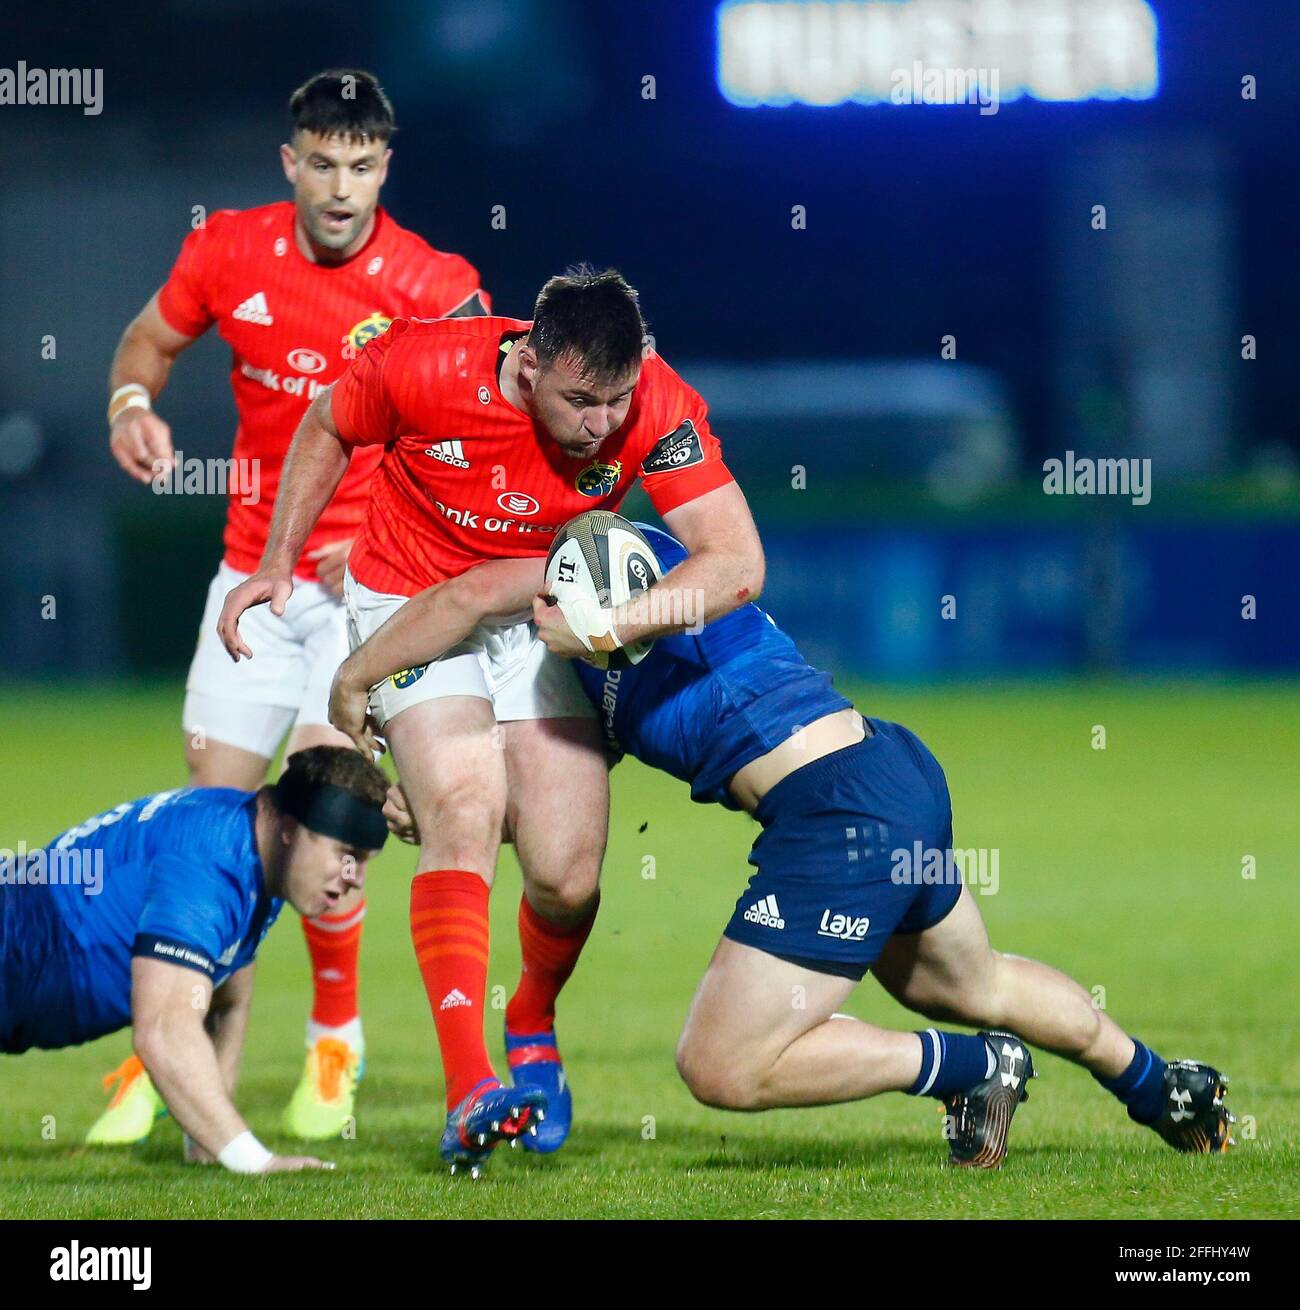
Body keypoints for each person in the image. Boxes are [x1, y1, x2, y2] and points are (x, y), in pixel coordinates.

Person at [330, 521, 1235, 1167]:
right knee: (963, 981)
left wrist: (356, 675)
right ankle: (1159, 1083)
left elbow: (695, 589)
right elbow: (472, 612)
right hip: (889, 778)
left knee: (720, 1066)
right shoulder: (577, 628)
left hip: (840, 818)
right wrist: (420, 772)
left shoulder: (680, 595)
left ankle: (973, 1066)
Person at [216, 268, 766, 1175]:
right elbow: (324, 422)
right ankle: (471, 1088)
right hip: (413, 597)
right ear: (527, 362)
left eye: (616, 401)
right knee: (464, 809)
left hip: (549, 611)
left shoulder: (652, 404)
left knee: (566, 875)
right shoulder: (421, 367)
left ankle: (532, 1022)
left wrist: (619, 623)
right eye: (581, 401)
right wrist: (280, 560)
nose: (601, 425)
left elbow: (736, 562)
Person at [99, 68, 490, 1145]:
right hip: (251, 578)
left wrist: (398, 542)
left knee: (328, 810)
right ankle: (177, 1049)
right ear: (291, 162)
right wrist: (133, 403)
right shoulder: (227, 249)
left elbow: (478, 434)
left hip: (361, 591)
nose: (341, 186)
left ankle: (334, 1034)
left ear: (385, 168)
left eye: (361, 165)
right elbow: (148, 340)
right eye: (322, 161)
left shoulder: (432, 282)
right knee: (212, 825)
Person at [0, 748, 396, 1174]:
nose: (355, 878)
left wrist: (209, 1144)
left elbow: (224, 1001)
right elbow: (163, 1032)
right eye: (345, 853)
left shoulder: (255, 852)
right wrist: (255, 1162)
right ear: (288, 827)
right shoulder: (207, 861)